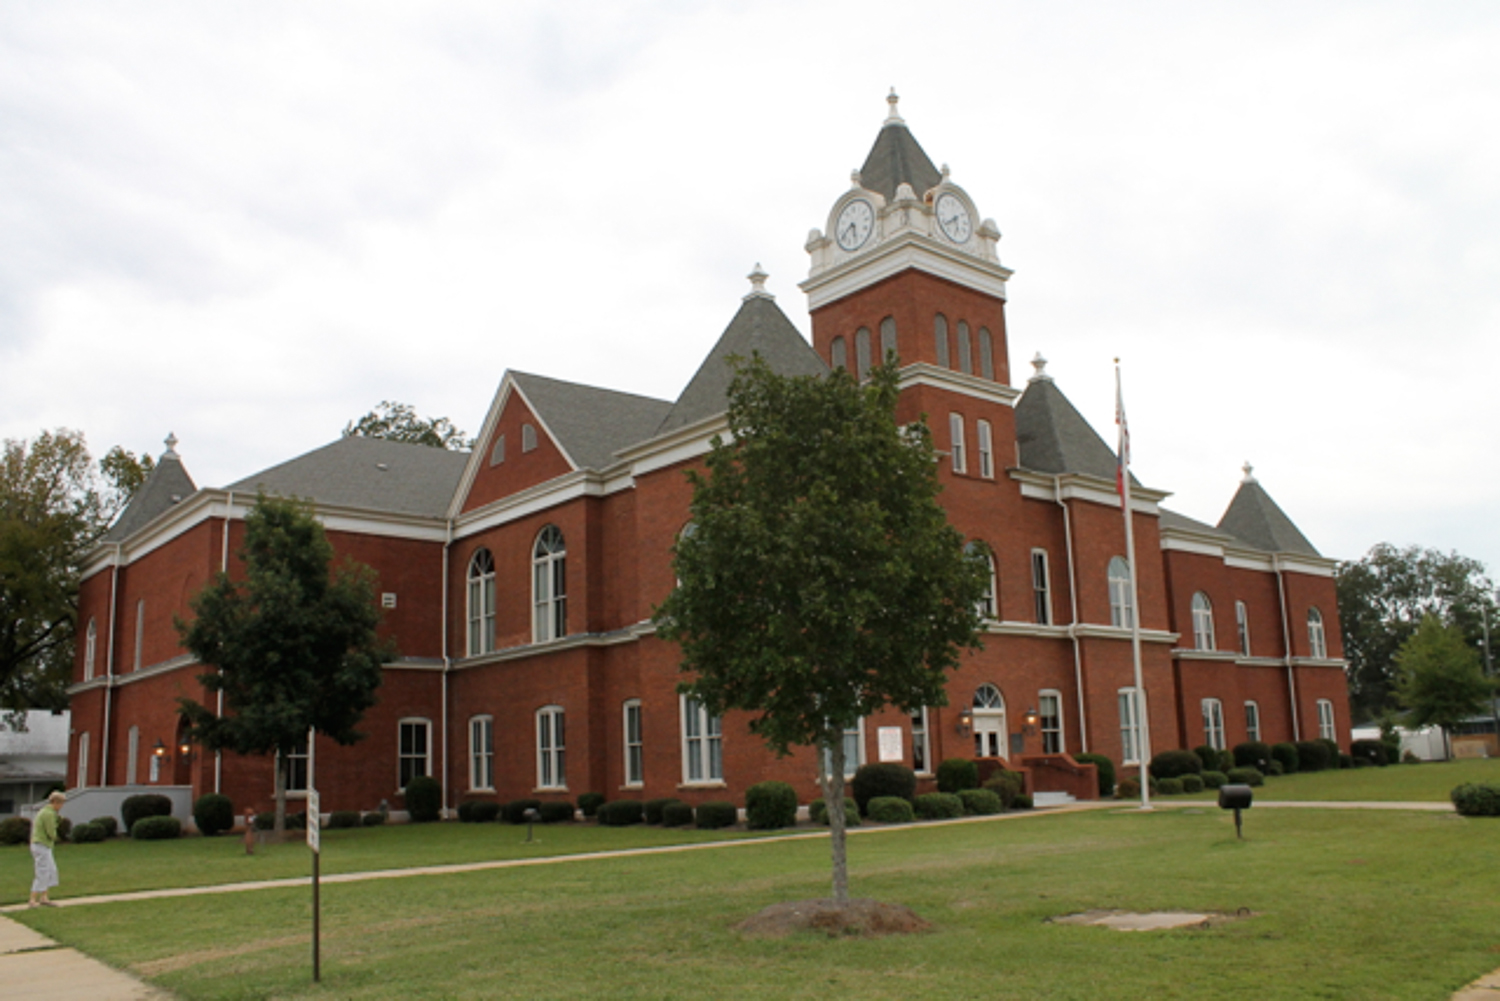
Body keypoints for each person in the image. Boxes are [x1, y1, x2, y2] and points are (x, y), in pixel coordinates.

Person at [29, 790, 66, 908]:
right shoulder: (48, 814)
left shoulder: (48, 812)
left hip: (44, 845)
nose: (61, 806)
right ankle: (32, 899)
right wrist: (57, 837)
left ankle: (44, 897)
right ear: (54, 802)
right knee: (42, 871)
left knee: (51, 870)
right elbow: (51, 832)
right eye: (60, 803)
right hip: (41, 845)